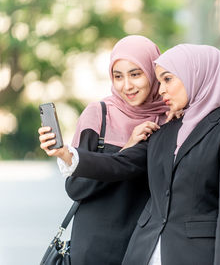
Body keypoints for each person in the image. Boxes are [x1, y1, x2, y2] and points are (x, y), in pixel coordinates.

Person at [39, 44, 220, 265]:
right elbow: (120, 164)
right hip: (132, 249)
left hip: (188, 252)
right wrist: (67, 154)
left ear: (194, 76)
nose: (161, 89)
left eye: (167, 80)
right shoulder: (160, 129)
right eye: (118, 76)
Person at [38, 35, 176, 265]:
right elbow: (76, 188)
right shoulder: (99, 115)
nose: (127, 86)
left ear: (153, 73)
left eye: (135, 74)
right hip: (95, 247)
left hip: (146, 247)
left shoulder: (169, 118)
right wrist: (127, 149)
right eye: (118, 76)